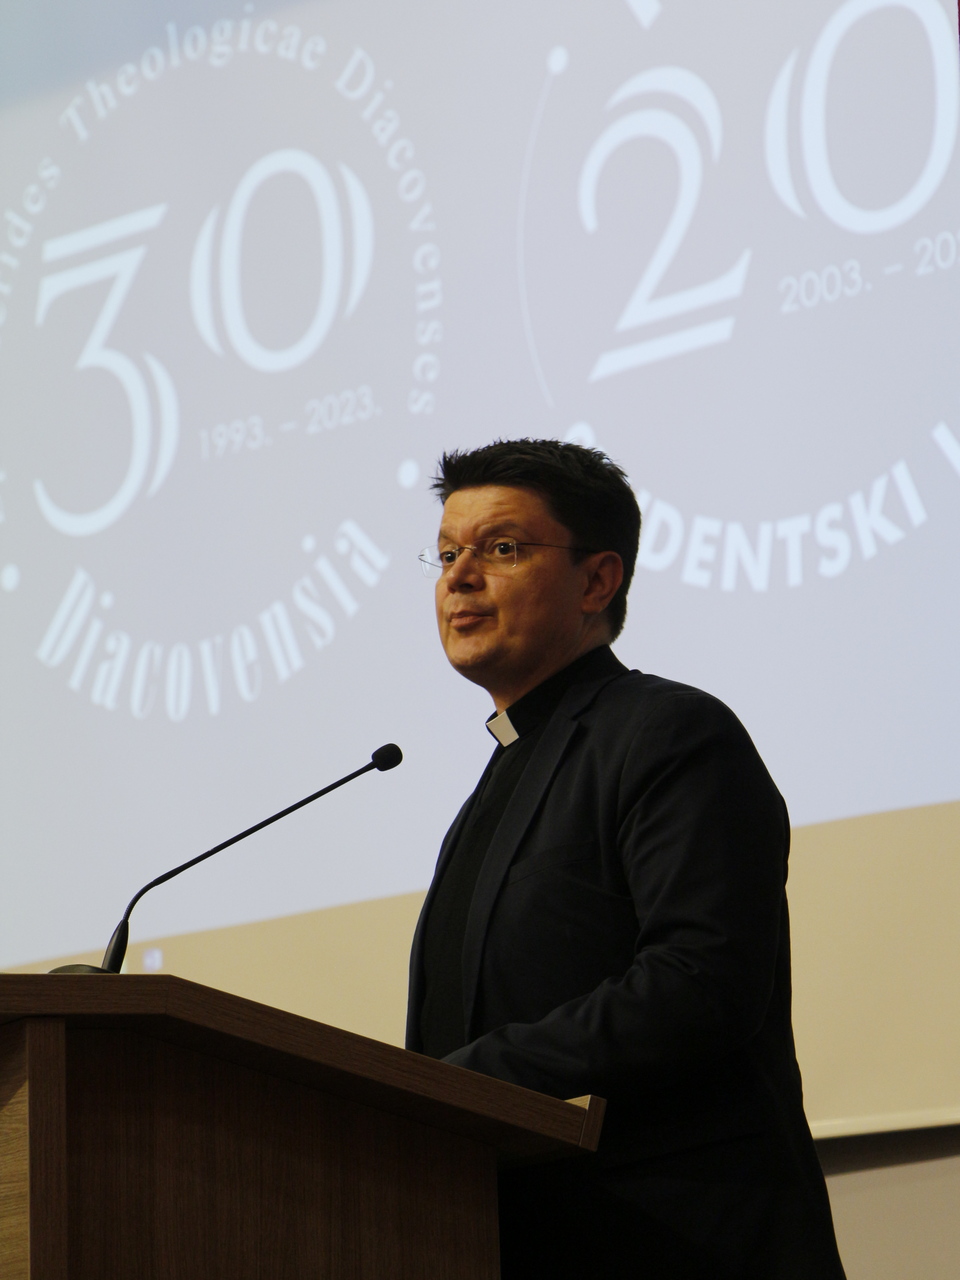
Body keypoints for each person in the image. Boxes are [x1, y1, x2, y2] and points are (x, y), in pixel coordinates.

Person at [405, 439, 846, 1279]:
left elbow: (700, 981)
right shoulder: (504, 771)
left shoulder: (668, 732)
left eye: (501, 548)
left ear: (597, 581)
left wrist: (470, 1080)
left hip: (679, 1239)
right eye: (448, 553)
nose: (460, 577)